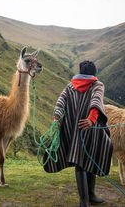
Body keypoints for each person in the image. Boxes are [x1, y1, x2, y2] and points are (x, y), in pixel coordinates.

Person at [43, 60, 113, 207]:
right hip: (90, 128)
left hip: (75, 130)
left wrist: (57, 119)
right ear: (94, 73)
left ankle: (89, 197)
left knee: (84, 160)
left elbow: (60, 103)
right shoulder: (97, 85)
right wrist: (91, 120)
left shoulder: (70, 86)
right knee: (86, 159)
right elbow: (97, 101)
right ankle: (85, 200)